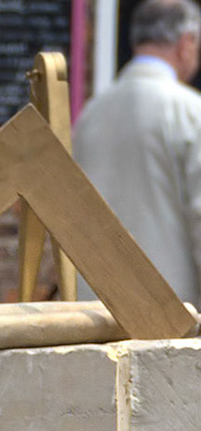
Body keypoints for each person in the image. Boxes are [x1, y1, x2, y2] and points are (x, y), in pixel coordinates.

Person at [75, 0, 201, 300]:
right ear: (186, 43)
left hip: (95, 308)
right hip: (172, 313)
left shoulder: (90, 114)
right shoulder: (189, 110)